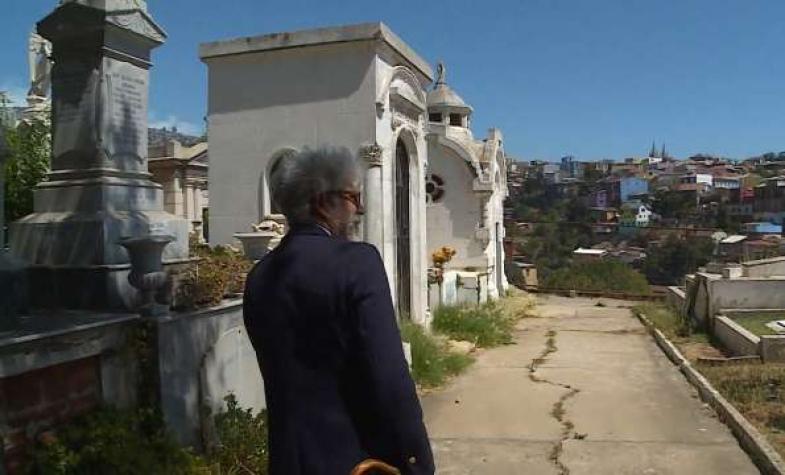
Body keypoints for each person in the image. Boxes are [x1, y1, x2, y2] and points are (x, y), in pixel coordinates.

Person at [243, 147, 435, 475]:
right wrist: (416, 460)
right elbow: (388, 377)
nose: (359, 209)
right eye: (353, 197)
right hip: (356, 460)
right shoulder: (356, 263)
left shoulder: (260, 275)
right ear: (322, 202)